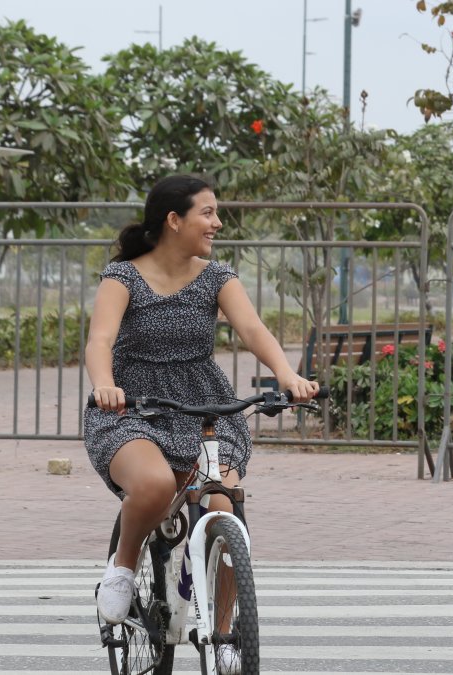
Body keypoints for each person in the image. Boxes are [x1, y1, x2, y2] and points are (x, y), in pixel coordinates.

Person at [86, 175, 319, 672]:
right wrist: (105, 384)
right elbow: (100, 340)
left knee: (224, 505)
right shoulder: (122, 276)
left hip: (203, 405)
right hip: (133, 406)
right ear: (175, 220)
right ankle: (123, 566)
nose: (217, 223)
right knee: (152, 486)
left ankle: (226, 630)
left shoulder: (217, 276)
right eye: (208, 213)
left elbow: (253, 329)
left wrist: (287, 374)